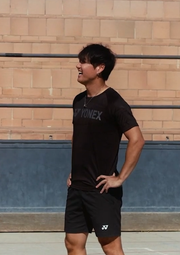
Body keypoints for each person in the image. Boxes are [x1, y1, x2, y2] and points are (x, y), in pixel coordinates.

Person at [64, 43, 145, 255]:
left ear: (100, 68)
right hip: (77, 188)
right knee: (73, 243)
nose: (78, 66)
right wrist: (75, 171)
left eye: (83, 62)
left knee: (110, 246)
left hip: (102, 190)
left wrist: (119, 179)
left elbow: (137, 139)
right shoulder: (79, 101)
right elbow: (79, 138)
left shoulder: (114, 102)